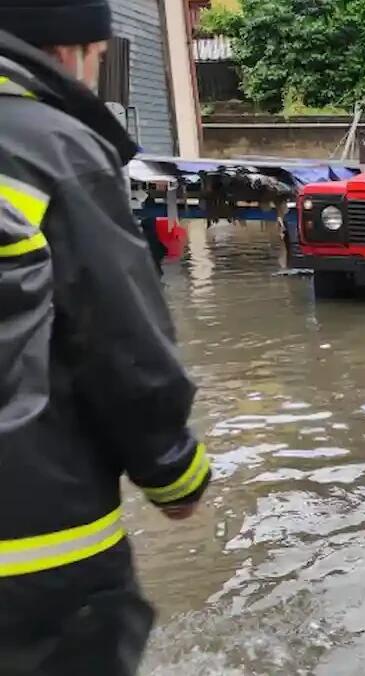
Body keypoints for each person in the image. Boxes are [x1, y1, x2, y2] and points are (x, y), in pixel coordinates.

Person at [0, 2, 211, 674]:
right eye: (97, 59)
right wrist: (175, 471)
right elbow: (124, 341)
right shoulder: (51, 147)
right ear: (69, 51)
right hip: (33, 546)